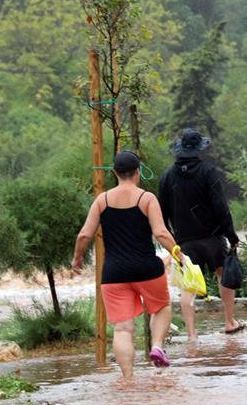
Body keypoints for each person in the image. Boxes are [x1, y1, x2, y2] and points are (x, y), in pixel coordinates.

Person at [72, 151, 179, 378]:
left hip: (114, 274)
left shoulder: (102, 200)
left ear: (114, 173)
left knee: (122, 328)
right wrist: (179, 254)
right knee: (161, 307)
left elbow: (84, 235)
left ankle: (128, 380)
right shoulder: (147, 199)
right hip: (147, 269)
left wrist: (77, 258)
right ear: (138, 172)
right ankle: (157, 346)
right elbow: (160, 232)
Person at [158, 128, 245, 339]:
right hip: (213, 237)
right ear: (199, 149)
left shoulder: (168, 176)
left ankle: (191, 334)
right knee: (222, 275)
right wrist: (231, 235)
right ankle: (229, 321)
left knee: (189, 285)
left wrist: (170, 239)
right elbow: (220, 206)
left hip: (184, 241)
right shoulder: (209, 171)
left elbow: (162, 212)